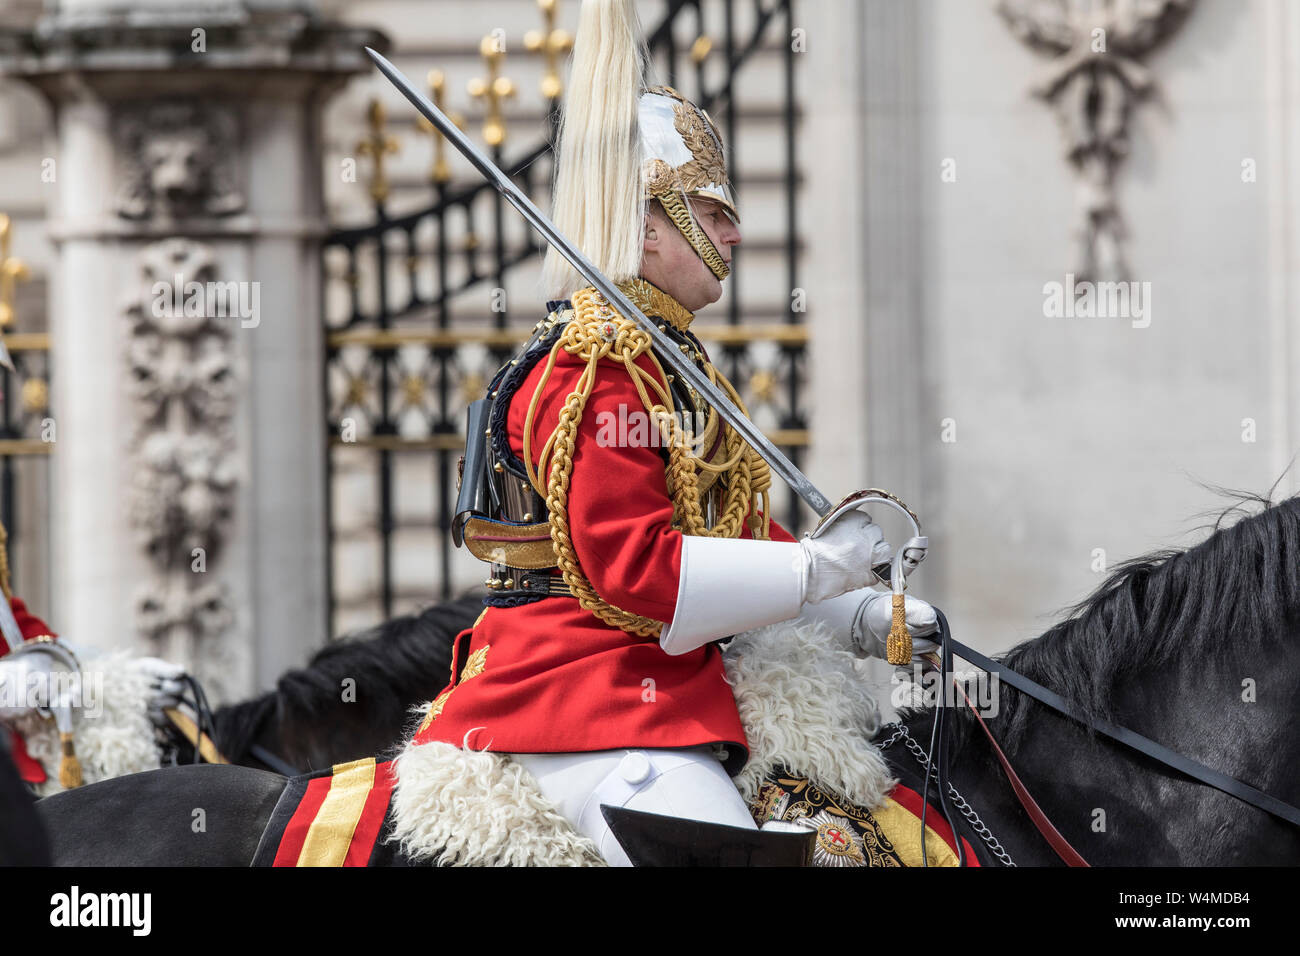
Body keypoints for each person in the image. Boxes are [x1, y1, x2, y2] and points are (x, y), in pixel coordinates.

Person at [413, 0, 939, 865]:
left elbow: (722, 535)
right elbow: (631, 569)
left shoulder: (666, 360)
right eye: (713, 209)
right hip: (591, 705)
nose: (735, 230)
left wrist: (851, 611)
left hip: (667, 687)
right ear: (650, 226)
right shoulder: (599, 366)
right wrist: (813, 570)